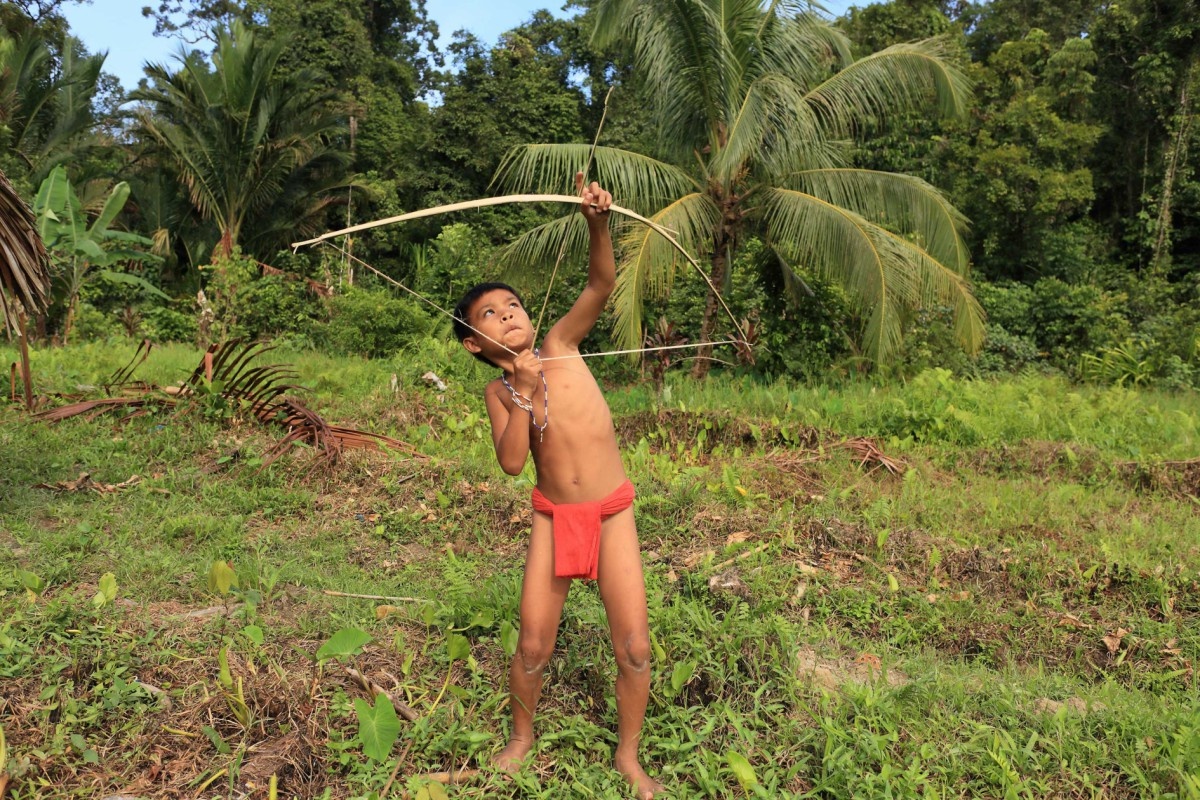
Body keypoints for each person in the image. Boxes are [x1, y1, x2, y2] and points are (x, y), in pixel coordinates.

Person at [452, 172, 663, 799]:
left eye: (512, 305)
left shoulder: (561, 344)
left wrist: (597, 224)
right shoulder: (498, 391)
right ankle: (520, 740)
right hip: (553, 517)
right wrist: (523, 392)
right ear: (474, 344)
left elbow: (600, 283)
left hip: (611, 512)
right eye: (489, 314)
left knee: (635, 645)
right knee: (533, 645)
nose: (507, 314)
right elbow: (512, 463)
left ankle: (628, 755)